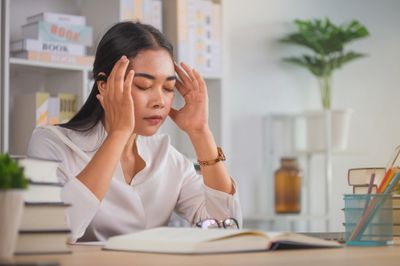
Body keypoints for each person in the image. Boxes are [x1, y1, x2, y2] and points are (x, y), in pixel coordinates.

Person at [27, 22, 242, 242]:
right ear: (104, 85)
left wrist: (200, 133)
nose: (160, 101)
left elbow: (225, 231)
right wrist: (119, 133)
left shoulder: (168, 158)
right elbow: (57, 231)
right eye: (143, 85)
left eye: (168, 88)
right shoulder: (51, 142)